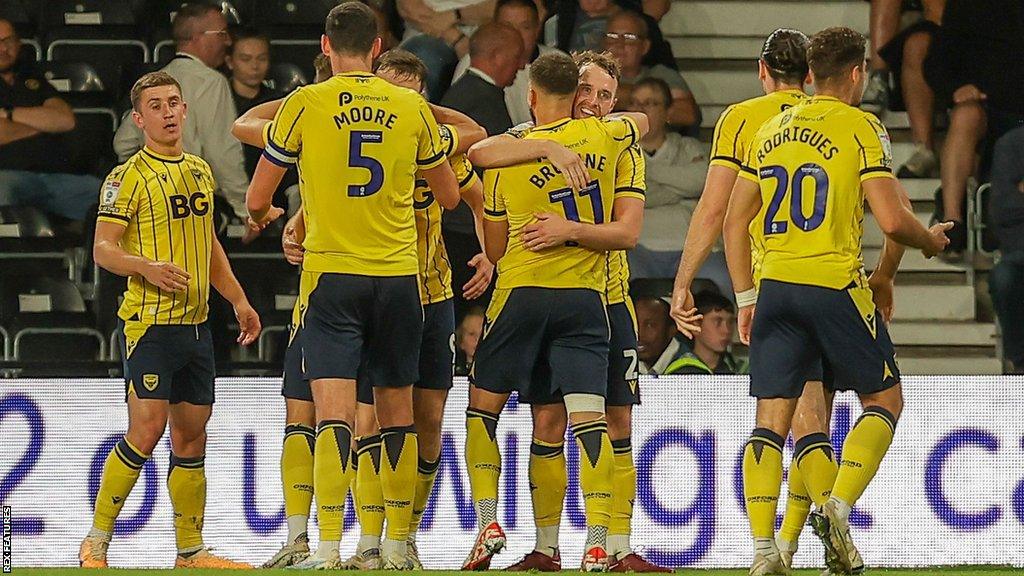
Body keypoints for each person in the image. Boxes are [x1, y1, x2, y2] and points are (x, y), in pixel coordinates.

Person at [722, 27, 950, 576]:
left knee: (771, 420)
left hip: (774, 284)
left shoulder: (769, 127)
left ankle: (764, 552)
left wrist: (746, 296)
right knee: (885, 400)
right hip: (834, 285)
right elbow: (893, 220)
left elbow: (734, 222)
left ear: (808, 76)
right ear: (856, 74)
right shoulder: (862, 127)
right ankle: (837, 507)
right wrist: (930, 242)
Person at [245, 2, 461, 569]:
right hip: (397, 278)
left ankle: (325, 548)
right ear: (376, 48)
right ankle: (393, 545)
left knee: (333, 416)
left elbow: (255, 198)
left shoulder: (304, 103)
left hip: (333, 277)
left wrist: (285, 211)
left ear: (324, 46)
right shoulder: (412, 106)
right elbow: (450, 197)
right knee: (396, 416)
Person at [467, 50, 665, 572]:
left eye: (606, 96)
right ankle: (548, 548)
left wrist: (568, 230)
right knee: (550, 420)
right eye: (587, 92)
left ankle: (617, 547)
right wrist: (548, 145)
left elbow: (627, 234)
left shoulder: (619, 144)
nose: (595, 103)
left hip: (609, 298)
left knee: (616, 419)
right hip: (576, 302)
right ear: (567, 91)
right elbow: (487, 153)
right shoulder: (528, 143)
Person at [78, 71, 262, 570]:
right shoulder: (126, 177)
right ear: (139, 120)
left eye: (173, 103)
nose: (167, 112)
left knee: (191, 437)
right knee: (146, 429)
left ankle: (190, 551)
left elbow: (210, 247)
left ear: (184, 111)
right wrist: (147, 268)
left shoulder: (200, 171)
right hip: (150, 324)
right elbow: (103, 250)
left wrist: (239, 300)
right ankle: (96, 541)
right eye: (155, 106)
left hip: (197, 325)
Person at [336, 49, 491, 572]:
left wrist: (491, 252)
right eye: (390, 91)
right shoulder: (356, 149)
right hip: (377, 296)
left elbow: (478, 186)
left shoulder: (439, 152)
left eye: (411, 93)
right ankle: (371, 541)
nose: (399, 101)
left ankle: (405, 536)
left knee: (427, 424)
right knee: (370, 422)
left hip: (435, 295)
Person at [113, 3, 249, 221]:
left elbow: (123, 143)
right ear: (197, 37)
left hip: (153, 204)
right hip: (195, 206)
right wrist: (245, 209)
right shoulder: (211, 82)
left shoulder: (155, 81)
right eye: (222, 34)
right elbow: (222, 153)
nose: (228, 41)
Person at [925, 0, 1024, 256]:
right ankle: (953, 219)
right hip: (984, 106)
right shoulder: (967, 5)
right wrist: (955, 89)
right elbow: (937, 62)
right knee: (965, 116)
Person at [441, 21, 524, 323]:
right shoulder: (477, 99)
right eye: (517, 57)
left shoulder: (465, 93)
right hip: (467, 231)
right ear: (497, 56)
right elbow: (496, 167)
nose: (522, 65)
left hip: (463, 225)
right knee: (473, 318)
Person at [0, 18, 99, 222]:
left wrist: (8, 115)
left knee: (113, 197)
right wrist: (43, 125)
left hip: (55, 177)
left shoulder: (32, 79)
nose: (3, 48)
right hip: (8, 176)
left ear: (19, 45)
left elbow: (65, 120)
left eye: (8, 41)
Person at [627, 76, 708, 279]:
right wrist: (680, 193)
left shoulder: (688, 146)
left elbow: (700, 182)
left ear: (667, 112)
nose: (640, 109)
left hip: (688, 246)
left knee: (721, 280)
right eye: (635, 103)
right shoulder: (621, 152)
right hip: (638, 249)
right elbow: (629, 197)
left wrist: (646, 172)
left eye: (650, 103)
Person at [452, 0, 565, 125]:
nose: (516, 34)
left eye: (525, 27)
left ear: (537, 28)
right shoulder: (474, 62)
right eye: (508, 26)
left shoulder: (559, 63)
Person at [603, 10, 700, 133]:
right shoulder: (593, 74)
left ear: (645, 46)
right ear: (603, 43)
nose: (619, 44)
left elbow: (687, 114)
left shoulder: (662, 75)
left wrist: (614, 97)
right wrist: (653, 102)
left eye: (629, 37)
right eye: (612, 36)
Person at [396, 0, 497, 100]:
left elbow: (501, 7)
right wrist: (457, 38)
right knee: (423, 60)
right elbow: (410, 9)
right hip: (428, 35)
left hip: (487, 37)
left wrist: (455, 14)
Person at [987, 126, 1024, 375]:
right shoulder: (1011, 145)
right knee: (1004, 278)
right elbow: (1003, 210)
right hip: (1020, 251)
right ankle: (1020, 362)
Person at [664, 291, 742, 375]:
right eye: (717, 322)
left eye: (730, 322)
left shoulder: (740, 368)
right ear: (695, 324)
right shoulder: (680, 372)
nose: (726, 330)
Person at [634, 293, 684, 375]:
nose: (639, 333)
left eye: (650, 325)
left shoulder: (691, 373)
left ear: (672, 330)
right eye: (634, 323)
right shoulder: (624, 365)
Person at [455, 305, 486, 375]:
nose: (477, 339)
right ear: (461, 340)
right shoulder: (452, 373)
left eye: (482, 334)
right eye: (472, 334)